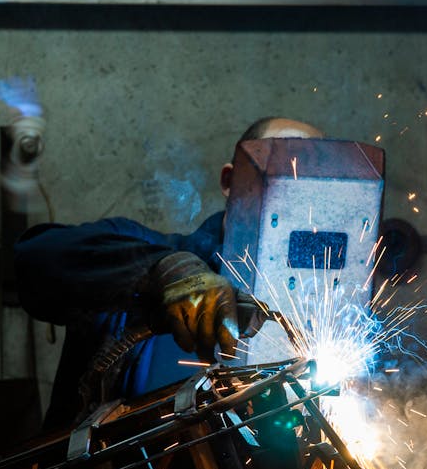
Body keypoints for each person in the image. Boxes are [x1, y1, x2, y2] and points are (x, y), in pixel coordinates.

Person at [16, 117, 325, 430]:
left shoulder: (331, 303)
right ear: (231, 182)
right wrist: (159, 271)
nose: (296, 193)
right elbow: (33, 259)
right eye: (283, 169)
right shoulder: (143, 250)